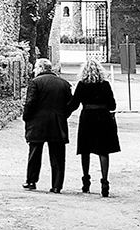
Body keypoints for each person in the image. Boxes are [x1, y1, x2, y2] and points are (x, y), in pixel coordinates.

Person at [23, 57, 78, 192]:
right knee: (58, 155)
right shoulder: (64, 84)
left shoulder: (35, 83)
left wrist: (26, 117)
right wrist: (63, 114)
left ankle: (31, 181)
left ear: (41, 68)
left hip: (38, 122)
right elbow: (72, 103)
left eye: (36, 67)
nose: (35, 70)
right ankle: (57, 185)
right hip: (57, 122)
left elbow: (30, 102)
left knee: (35, 153)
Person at [73, 61, 120, 196]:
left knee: (85, 149)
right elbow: (112, 105)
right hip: (103, 118)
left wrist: (63, 112)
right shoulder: (105, 85)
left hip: (87, 117)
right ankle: (104, 182)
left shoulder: (82, 85)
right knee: (103, 150)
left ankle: (86, 180)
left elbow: (74, 103)